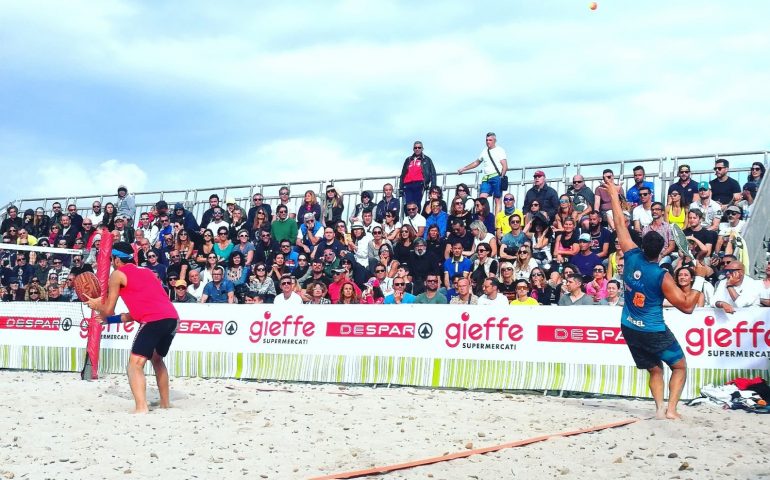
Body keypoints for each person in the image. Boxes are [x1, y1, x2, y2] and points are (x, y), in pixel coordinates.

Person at [605, 176, 708, 420]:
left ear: (642, 243)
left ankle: (660, 409)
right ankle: (670, 410)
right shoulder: (661, 275)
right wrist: (700, 280)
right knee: (680, 366)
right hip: (652, 329)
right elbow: (686, 306)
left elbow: (619, 222)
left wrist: (612, 193)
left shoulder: (630, 255)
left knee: (654, 369)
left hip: (628, 326)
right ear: (662, 250)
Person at [84, 241, 179, 414]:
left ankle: (141, 407)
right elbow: (136, 313)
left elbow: (108, 309)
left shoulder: (117, 274)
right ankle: (166, 403)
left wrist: (97, 305)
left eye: (112, 259)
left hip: (153, 320)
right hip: (172, 318)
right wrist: (109, 321)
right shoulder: (147, 272)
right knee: (157, 360)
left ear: (116, 259)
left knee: (134, 365)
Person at [457, 132, 508, 214]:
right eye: (487, 140)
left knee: (497, 199)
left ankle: (496, 222)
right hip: (486, 177)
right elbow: (476, 162)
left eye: (490, 140)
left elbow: (505, 165)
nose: (488, 142)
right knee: (481, 199)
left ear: (495, 140)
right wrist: (464, 169)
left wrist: (502, 177)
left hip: (496, 176)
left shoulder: (500, 150)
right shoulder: (485, 151)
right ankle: (483, 218)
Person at [399, 140, 437, 210]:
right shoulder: (408, 159)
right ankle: (408, 219)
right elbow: (403, 174)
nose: (417, 149)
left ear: (422, 149)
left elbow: (433, 173)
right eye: (415, 147)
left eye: (419, 147)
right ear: (413, 149)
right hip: (407, 184)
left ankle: (417, 219)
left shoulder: (427, 159)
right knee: (408, 204)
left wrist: (433, 187)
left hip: (420, 184)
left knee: (416, 204)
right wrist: (400, 188)